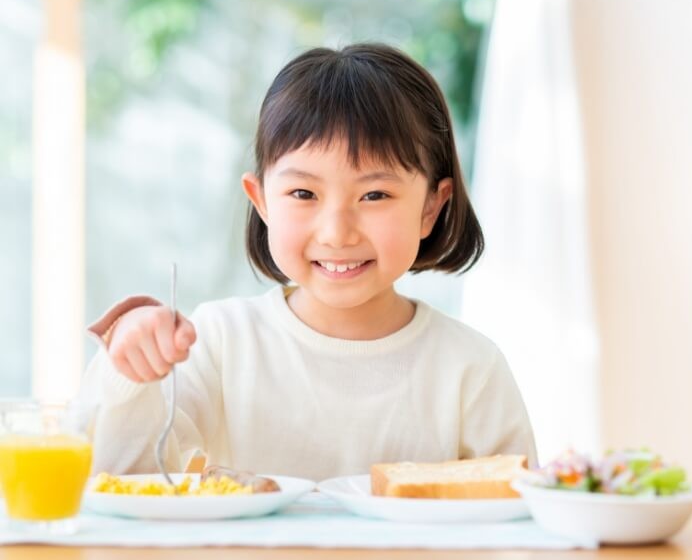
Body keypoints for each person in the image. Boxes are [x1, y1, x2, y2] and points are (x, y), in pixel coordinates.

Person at [79, 43, 537, 481]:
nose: (337, 232)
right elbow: (123, 483)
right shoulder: (221, 341)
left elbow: (516, 510)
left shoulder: (470, 368)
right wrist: (129, 371)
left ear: (431, 207)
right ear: (261, 200)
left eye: (375, 195)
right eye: (303, 193)